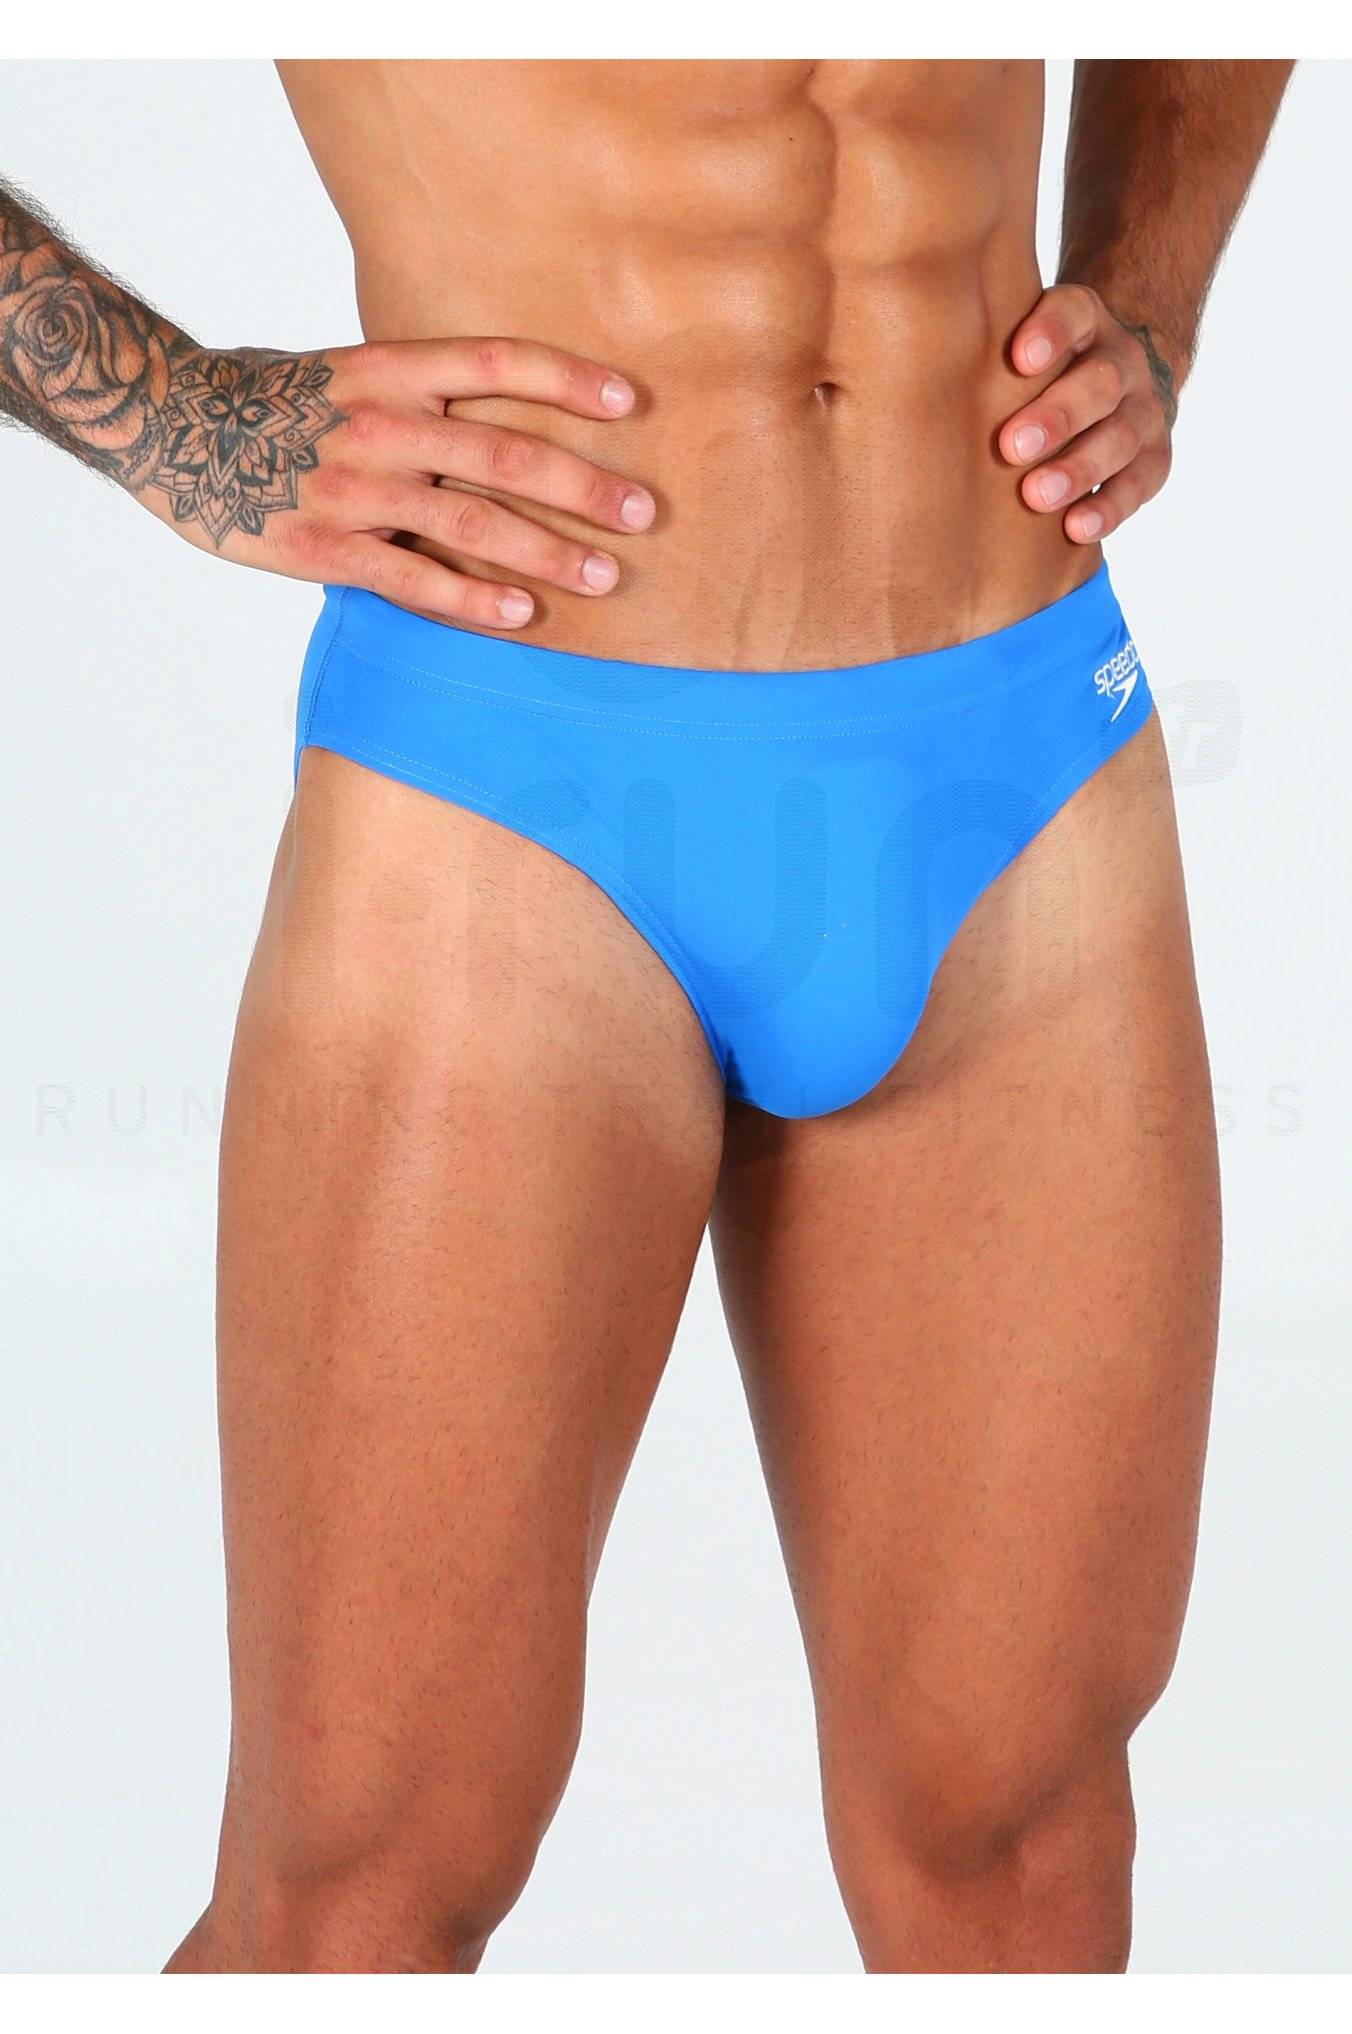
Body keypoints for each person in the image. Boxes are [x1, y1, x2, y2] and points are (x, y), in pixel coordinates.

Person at [0, 58, 1290, 1974]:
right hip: (510, 769)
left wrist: (1149, 289)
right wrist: (168, 413)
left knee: (1019, 1854)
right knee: (353, 1902)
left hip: (1010, 747)